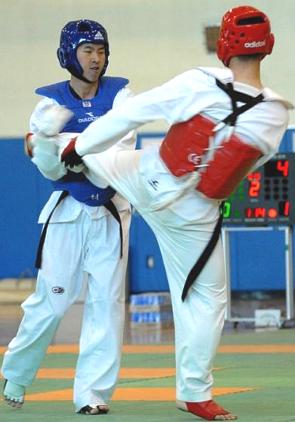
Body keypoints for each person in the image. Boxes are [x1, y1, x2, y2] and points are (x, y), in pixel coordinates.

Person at [25, 5, 292, 421]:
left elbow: (133, 113)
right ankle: (194, 394)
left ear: (223, 47)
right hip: (193, 216)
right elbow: (246, 163)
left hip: (146, 176)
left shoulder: (199, 81)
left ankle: (48, 140)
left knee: (92, 155)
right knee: (206, 300)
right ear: (270, 46)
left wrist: (78, 147)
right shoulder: (276, 112)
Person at [1, 19, 135, 415]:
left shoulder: (122, 96)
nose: (97, 59)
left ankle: (92, 396)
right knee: (52, 303)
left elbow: (118, 151)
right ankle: (17, 374)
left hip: (112, 213)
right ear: (68, 55)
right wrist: (50, 146)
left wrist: (65, 146)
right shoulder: (49, 105)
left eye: (101, 51)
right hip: (68, 214)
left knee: (106, 306)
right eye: (88, 51)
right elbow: (48, 167)